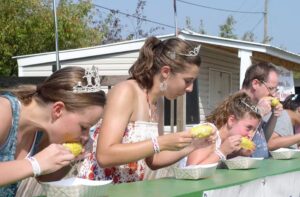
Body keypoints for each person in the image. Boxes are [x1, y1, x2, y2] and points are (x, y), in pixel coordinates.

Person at [78, 36, 213, 183]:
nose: (190, 89)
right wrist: (160, 143)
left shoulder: (158, 102)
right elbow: (104, 155)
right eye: (188, 81)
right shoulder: (126, 92)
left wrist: (192, 146)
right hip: (100, 188)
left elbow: (154, 160)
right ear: (166, 72)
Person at [0, 66, 106, 196]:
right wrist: (35, 164)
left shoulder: (43, 131)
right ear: (58, 110)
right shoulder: (4, 112)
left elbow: (45, 177)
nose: (86, 137)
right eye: (84, 127)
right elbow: (35, 167)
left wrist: (69, 159)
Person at [187, 92, 262, 165]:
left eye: (254, 130)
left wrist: (239, 153)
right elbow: (192, 169)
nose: (251, 135)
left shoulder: (224, 141)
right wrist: (222, 152)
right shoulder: (210, 134)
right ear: (231, 121)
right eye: (248, 128)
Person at [241, 62, 283, 158]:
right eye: (271, 88)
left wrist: (274, 116)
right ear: (255, 83)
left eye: (275, 89)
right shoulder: (237, 105)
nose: (273, 94)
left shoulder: (255, 105)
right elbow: (239, 144)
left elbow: (264, 139)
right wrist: (258, 113)